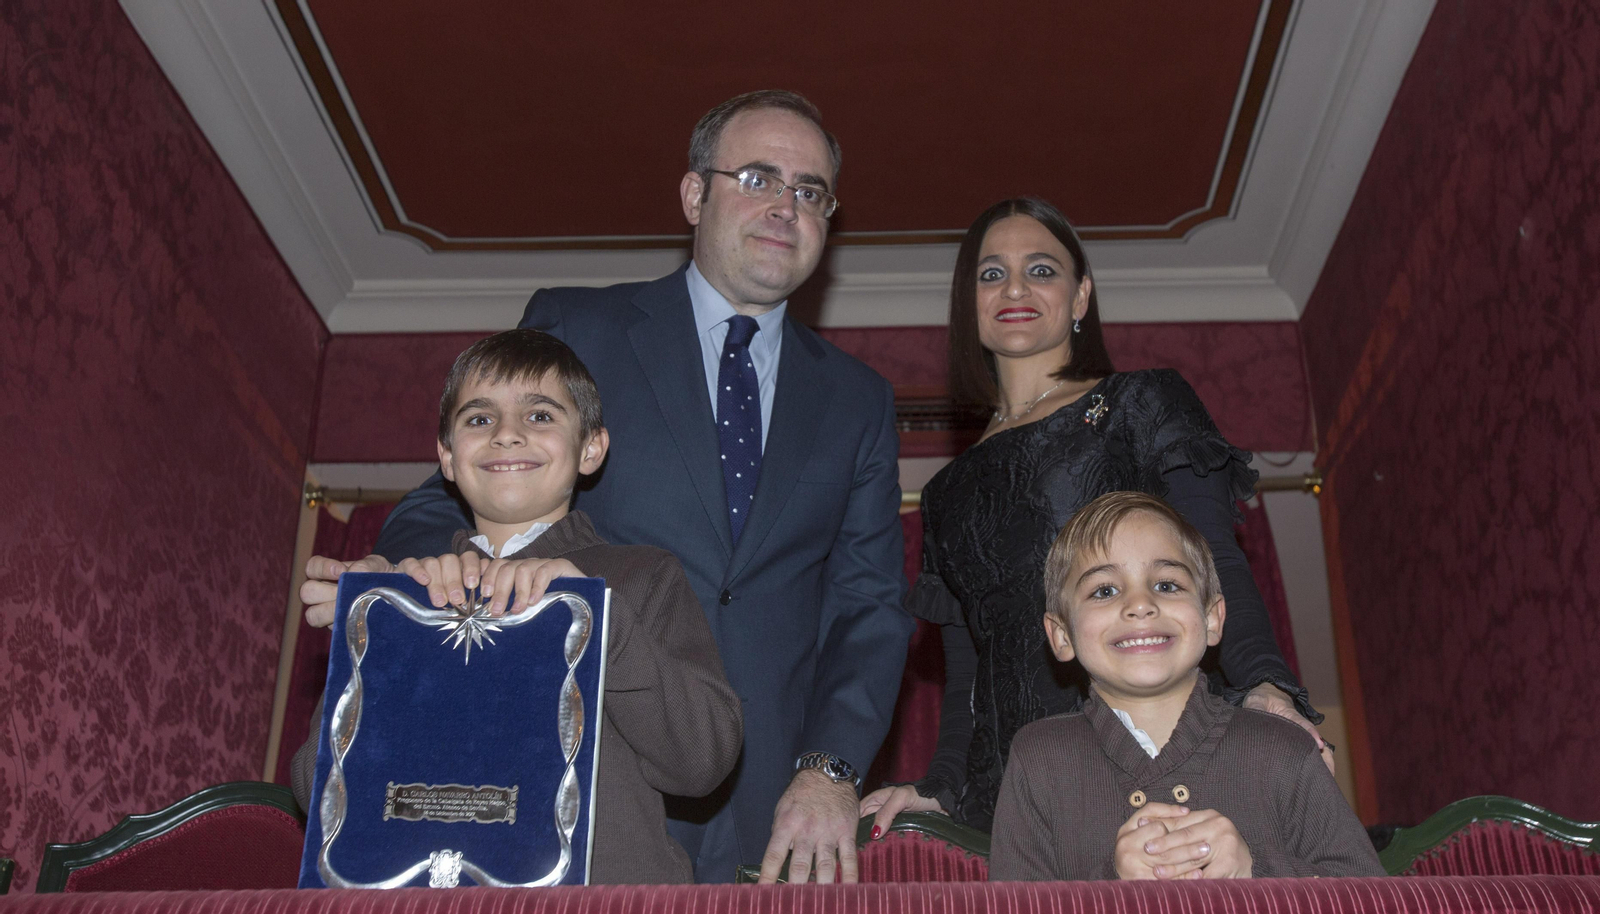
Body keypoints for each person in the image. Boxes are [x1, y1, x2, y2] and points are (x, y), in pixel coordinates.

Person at [311, 91, 913, 884]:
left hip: (774, 813)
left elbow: (868, 607)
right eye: (759, 177)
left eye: (810, 192)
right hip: (571, 773)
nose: (785, 206)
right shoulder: (579, 327)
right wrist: (427, 587)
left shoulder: (859, 400)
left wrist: (830, 769)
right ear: (695, 193)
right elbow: (442, 501)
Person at [862, 197, 1328, 835]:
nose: (1016, 288)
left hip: (1158, 767)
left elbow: (1214, 558)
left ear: (1081, 297)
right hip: (1015, 802)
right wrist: (942, 786)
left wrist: (1266, 687)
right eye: (991, 274)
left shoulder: (1142, 404)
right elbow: (970, 669)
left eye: (1042, 270)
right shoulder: (945, 493)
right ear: (967, 304)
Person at [293, 329, 744, 884]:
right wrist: (377, 639)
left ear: (590, 449)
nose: (507, 435)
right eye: (479, 420)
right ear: (448, 458)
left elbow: (704, 759)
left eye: (540, 417)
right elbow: (314, 788)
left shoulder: (641, 578)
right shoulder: (408, 594)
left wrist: (600, 620)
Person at [988, 491, 1381, 880]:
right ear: (1061, 636)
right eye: (1105, 590)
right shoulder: (1038, 759)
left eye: (1166, 585)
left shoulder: (1284, 749)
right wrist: (1111, 884)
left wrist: (1257, 872)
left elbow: (1375, 898)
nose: (1140, 604)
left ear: (1212, 619)